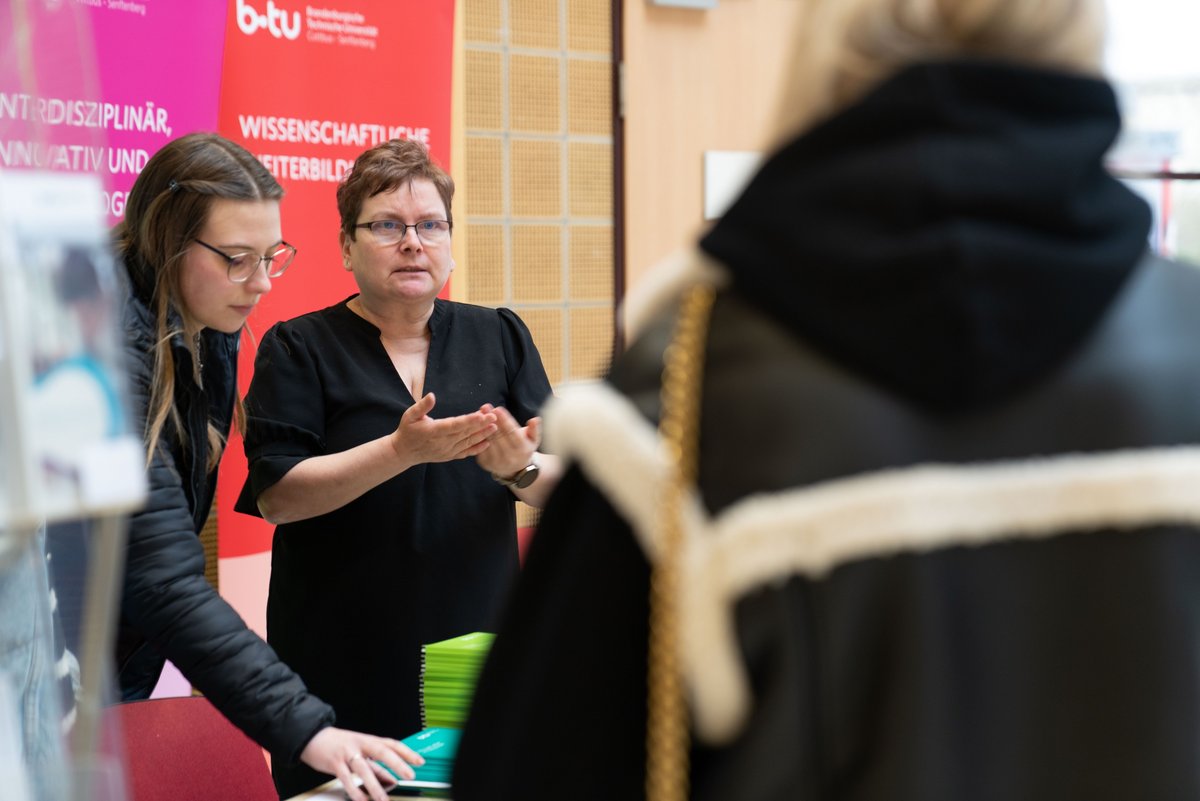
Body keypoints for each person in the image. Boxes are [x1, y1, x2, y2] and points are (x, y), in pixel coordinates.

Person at [451, 0, 1200, 799]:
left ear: (828, 47)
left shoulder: (693, 378)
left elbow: (535, 766)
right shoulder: (1184, 340)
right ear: (1081, 37)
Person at [234, 138, 562, 797]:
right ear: (347, 246)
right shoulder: (299, 347)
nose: (412, 242)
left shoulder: (498, 334)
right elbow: (278, 498)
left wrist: (521, 468)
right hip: (342, 654)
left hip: (475, 645)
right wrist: (400, 451)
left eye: (430, 225)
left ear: (449, 239)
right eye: (387, 225)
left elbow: (570, 491)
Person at [113, 132, 424, 801]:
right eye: (235, 259)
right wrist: (310, 729)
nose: (259, 283)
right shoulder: (105, 347)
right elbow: (160, 574)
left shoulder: (211, 327)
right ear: (168, 241)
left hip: (116, 657)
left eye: (271, 257)